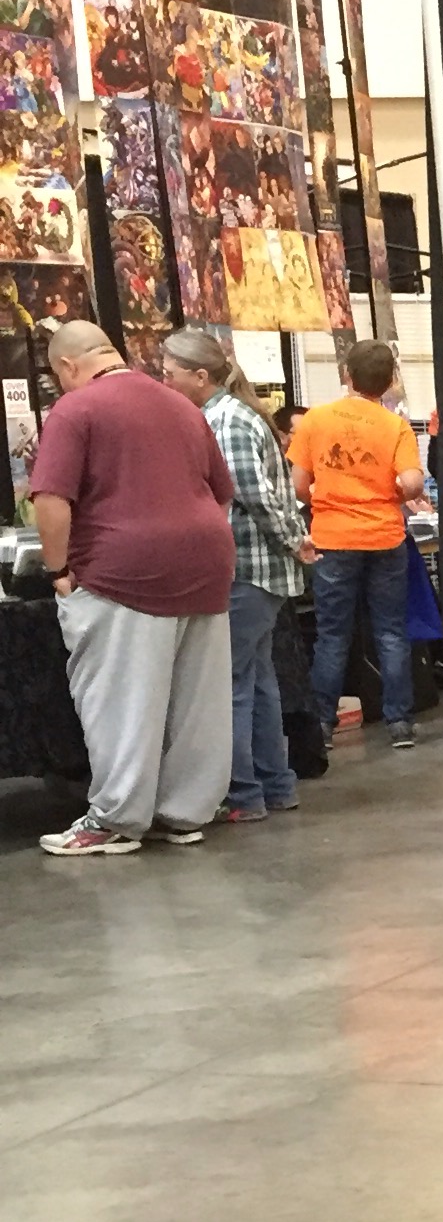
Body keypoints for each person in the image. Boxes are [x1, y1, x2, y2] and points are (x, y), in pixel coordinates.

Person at [32, 318, 236, 857]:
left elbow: (50, 498)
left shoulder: (75, 409)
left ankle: (115, 819)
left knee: (120, 698)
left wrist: (58, 571)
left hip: (123, 569)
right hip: (206, 561)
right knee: (197, 702)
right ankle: (185, 813)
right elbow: (221, 492)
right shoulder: (181, 405)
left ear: (68, 365)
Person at [163, 325, 313, 820]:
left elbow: (253, 496)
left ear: (200, 376)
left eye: (170, 373)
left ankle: (243, 793)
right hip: (258, 573)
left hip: (247, 570)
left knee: (229, 686)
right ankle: (276, 784)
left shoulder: (224, 421)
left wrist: (294, 541)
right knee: (259, 682)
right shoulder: (230, 415)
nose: (164, 382)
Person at [288, 335, 426, 748]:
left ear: (346, 374)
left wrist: (329, 496)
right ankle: (399, 724)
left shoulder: (314, 420)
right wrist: (392, 494)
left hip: (333, 537)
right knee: (390, 631)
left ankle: (323, 724)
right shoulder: (395, 426)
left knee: (332, 634)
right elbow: (413, 482)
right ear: (390, 381)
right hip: (385, 535)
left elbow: (298, 486)